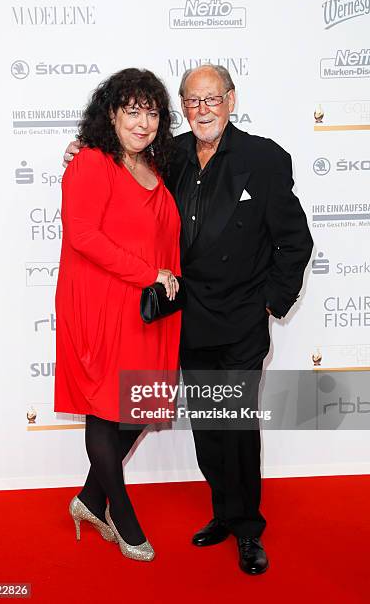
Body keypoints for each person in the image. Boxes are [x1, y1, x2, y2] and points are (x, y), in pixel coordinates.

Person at [63, 64, 313, 574]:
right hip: (187, 319)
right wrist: (77, 152)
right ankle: (220, 513)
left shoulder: (263, 158)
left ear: (231, 99)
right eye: (192, 101)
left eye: (212, 99)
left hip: (241, 322)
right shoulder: (169, 153)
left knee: (237, 426)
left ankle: (247, 530)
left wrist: (270, 302)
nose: (203, 110)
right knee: (206, 427)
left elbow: (296, 241)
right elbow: (115, 166)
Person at [55, 68, 182, 562]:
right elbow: (83, 235)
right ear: (110, 113)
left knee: (139, 405)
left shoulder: (156, 163)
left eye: (151, 112)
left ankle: (89, 498)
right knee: (107, 408)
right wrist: (148, 272)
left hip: (148, 309)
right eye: (132, 110)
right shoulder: (90, 162)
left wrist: (157, 278)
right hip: (104, 306)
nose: (143, 121)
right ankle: (120, 514)